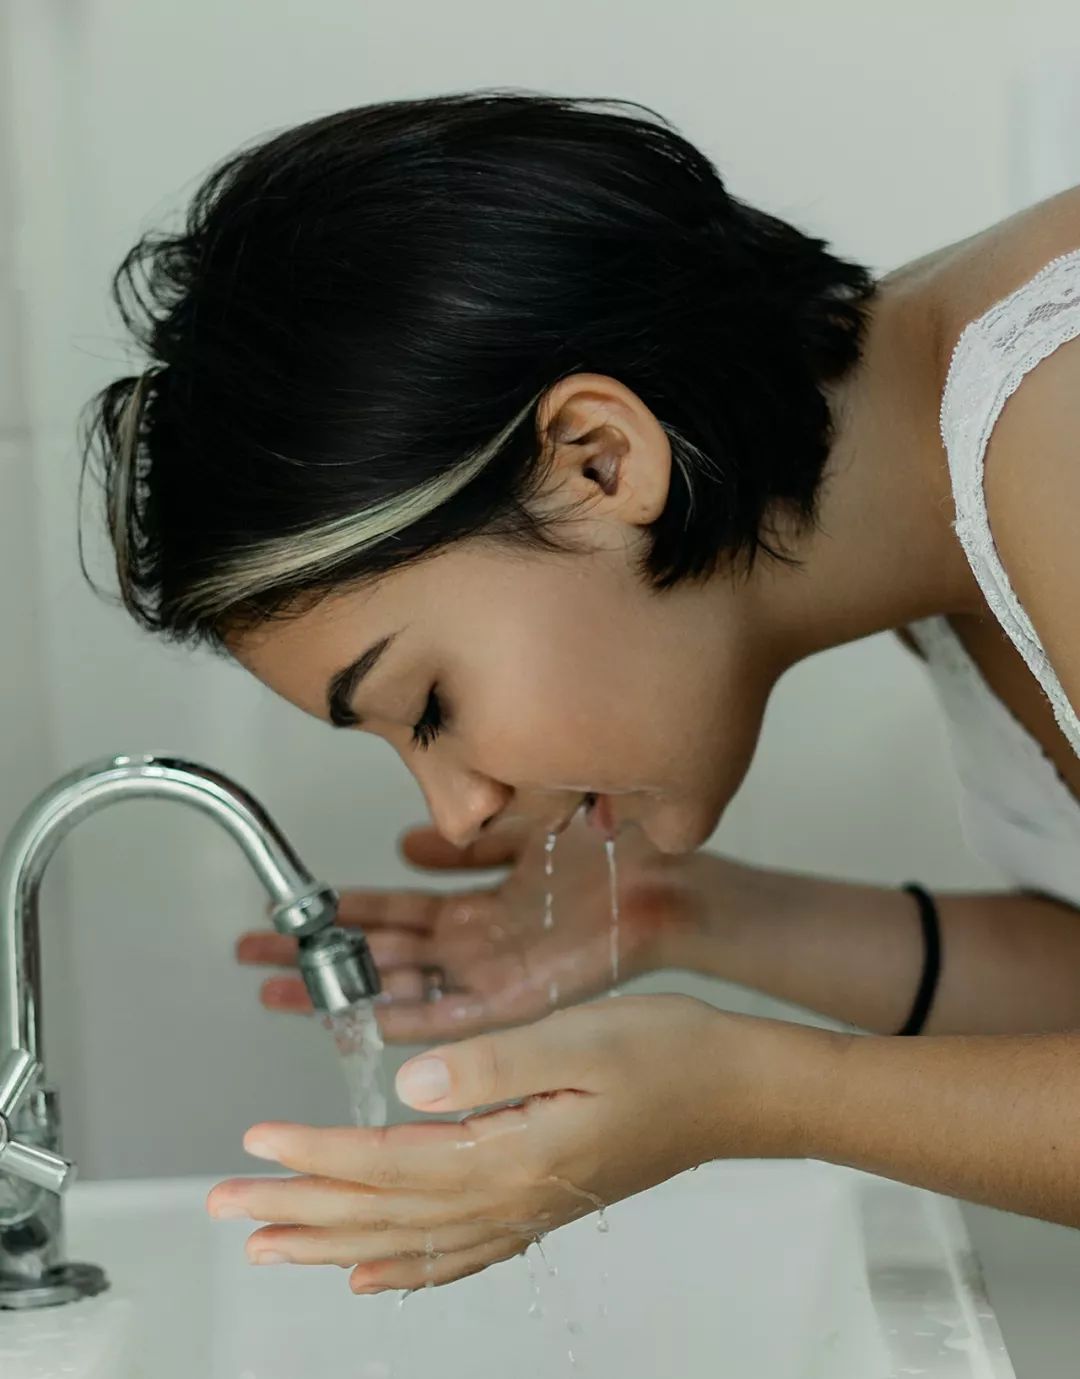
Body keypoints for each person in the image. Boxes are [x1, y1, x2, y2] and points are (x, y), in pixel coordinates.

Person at [81, 90, 1080, 1296]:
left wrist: (752, 1090)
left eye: (430, 703)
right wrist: (683, 915)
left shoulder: (1058, 415)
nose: (462, 811)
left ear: (600, 461)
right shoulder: (939, 495)